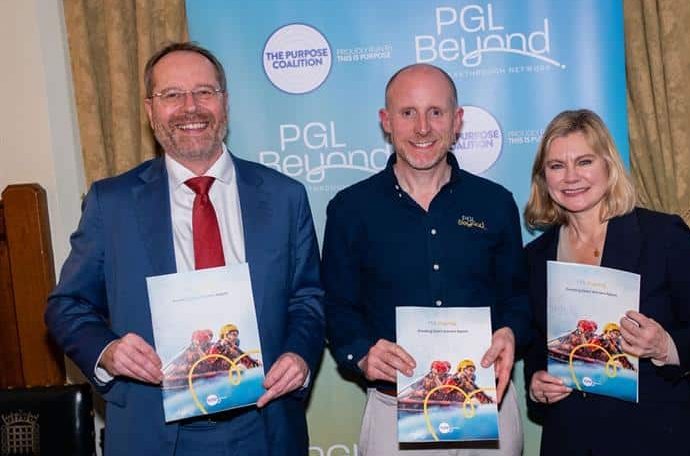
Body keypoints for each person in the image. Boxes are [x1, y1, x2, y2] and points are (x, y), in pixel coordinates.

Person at [45, 42, 324, 455]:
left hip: (264, 428)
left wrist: (300, 356)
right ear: (150, 109)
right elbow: (66, 306)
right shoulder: (112, 202)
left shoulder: (284, 196)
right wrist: (108, 350)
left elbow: (308, 299)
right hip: (152, 430)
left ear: (225, 103)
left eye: (205, 92)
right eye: (172, 95)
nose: (190, 107)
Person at [322, 63, 530, 455]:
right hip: (393, 409)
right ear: (386, 121)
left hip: (486, 405)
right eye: (407, 113)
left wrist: (511, 332)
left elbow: (518, 298)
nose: (422, 128)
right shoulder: (351, 208)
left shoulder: (496, 203)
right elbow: (336, 305)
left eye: (436, 112)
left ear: (457, 120)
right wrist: (362, 353)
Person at [522, 109, 690, 455]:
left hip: (657, 436)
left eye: (585, 161)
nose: (571, 177)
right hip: (573, 438)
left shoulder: (662, 236)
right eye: (557, 166)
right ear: (543, 178)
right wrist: (537, 384)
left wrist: (665, 345)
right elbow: (536, 346)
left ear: (609, 166)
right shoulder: (535, 257)